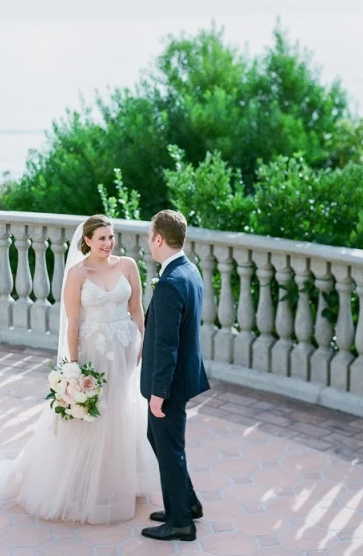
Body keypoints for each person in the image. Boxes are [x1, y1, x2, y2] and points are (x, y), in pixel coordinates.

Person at [0, 214, 158, 523]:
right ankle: (84, 482)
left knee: (122, 408)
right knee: (97, 412)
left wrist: (144, 342)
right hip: (93, 350)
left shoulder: (128, 266)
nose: (109, 243)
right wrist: (74, 366)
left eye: (111, 237)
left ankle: (119, 478)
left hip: (126, 348)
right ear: (88, 241)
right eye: (103, 238)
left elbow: (136, 308)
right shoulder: (78, 274)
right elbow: (73, 322)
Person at [140, 209, 210, 542]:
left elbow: (167, 344)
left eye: (149, 236)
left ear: (159, 239)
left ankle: (180, 521)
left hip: (169, 385)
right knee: (161, 441)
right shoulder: (189, 270)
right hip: (183, 378)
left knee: (169, 447)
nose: (148, 243)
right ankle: (188, 503)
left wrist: (158, 393)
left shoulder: (169, 283)